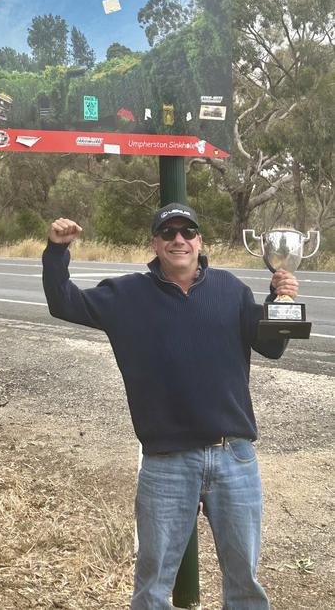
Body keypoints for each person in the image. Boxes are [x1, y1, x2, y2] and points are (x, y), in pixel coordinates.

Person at [42, 203, 299, 610]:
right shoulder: (126, 295)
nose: (178, 239)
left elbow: (271, 346)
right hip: (166, 460)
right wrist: (57, 251)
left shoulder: (232, 290)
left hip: (233, 455)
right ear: (155, 243)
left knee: (244, 580)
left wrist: (278, 298)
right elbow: (63, 302)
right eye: (168, 233)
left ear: (199, 241)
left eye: (187, 232)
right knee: (153, 583)